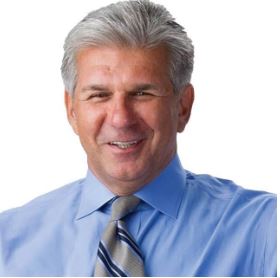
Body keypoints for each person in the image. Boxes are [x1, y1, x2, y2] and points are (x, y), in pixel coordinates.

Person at [0, 0, 276, 276]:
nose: (121, 118)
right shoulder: (8, 240)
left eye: (142, 93)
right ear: (72, 109)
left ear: (183, 106)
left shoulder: (263, 228)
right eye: (99, 95)